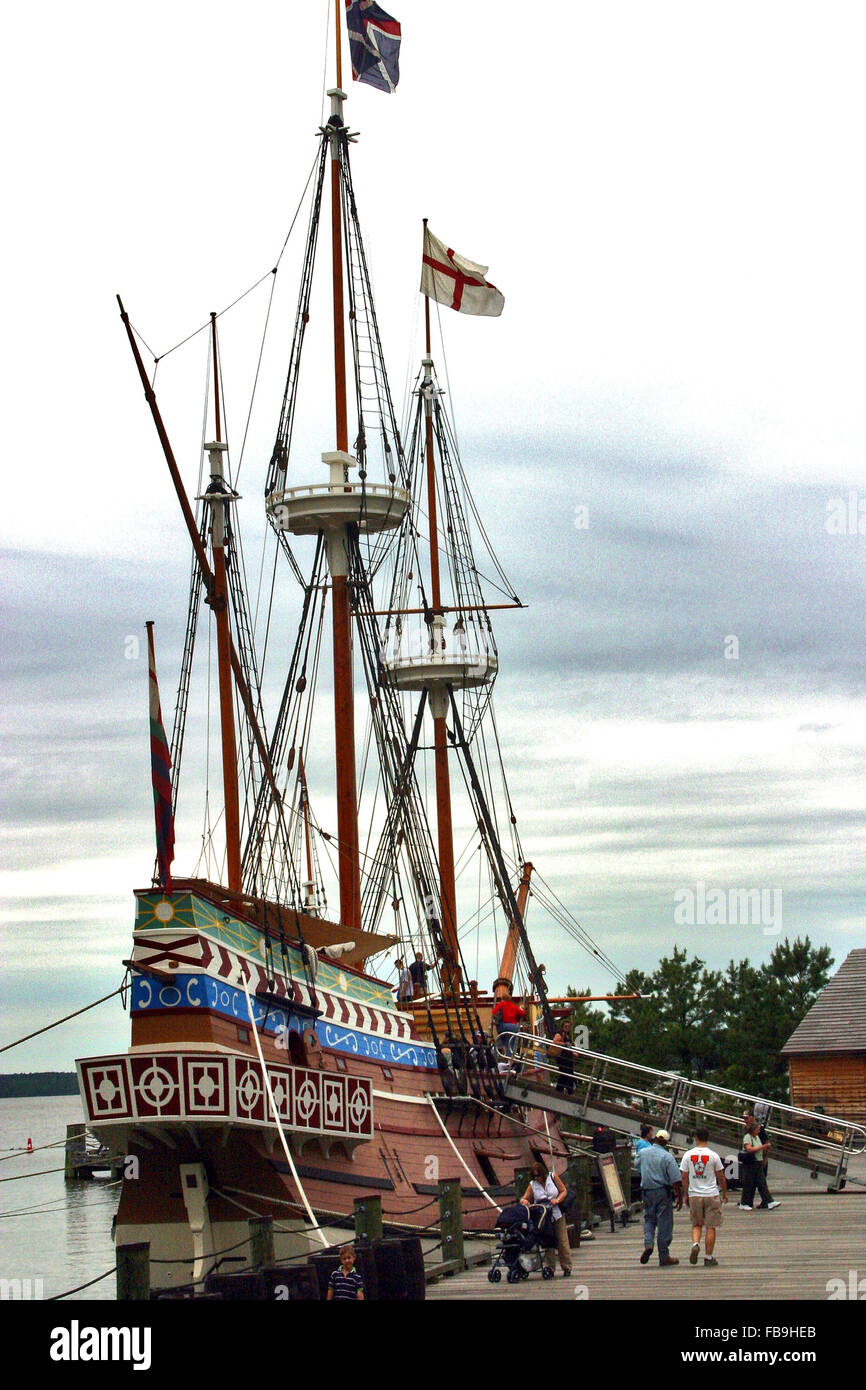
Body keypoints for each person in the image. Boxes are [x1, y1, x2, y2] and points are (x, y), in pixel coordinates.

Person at [680, 1126, 728, 1267]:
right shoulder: (713, 1155)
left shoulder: (688, 1155)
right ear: (708, 1138)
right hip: (711, 1194)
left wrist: (686, 1194)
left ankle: (695, 1244)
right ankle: (708, 1257)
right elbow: (721, 1176)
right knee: (711, 1226)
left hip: (695, 1194)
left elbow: (683, 1176)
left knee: (696, 1224)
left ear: (696, 1138)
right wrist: (724, 1193)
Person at [636, 1128, 683, 1266]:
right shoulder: (667, 1156)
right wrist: (679, 1197)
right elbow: (675, 1180)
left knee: (649, 1219)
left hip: (647, 1191)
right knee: (664, 1223)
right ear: (666, 1143)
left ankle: (648, 1244)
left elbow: (636, 1164)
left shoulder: (643, 1153)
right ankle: (664, 1255)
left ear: (655, 1139)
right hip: (662, 1191)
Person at [520, 1160, 572, 1277]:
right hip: (543, 1216)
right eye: (534, 1176)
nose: (537, 1178)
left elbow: (563, 1191)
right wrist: (525, 1201)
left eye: (539, 1175)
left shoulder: (552, 1177)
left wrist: (557, 1200)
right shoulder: (533, 1184)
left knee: (562, 1240)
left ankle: (566, 1266)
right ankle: (550, 1267)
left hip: (556, 1213)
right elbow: (525, 1197)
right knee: (548, 1241)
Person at [739, 1117, 780, 1211]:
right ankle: (744, 1202)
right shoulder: (748, 1137)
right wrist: (763, 1146)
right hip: (750, 1163)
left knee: (762, 1183)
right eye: (757, 1129)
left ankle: (769, 1201)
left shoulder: (756, 1137)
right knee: (749, 1183)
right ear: (753, 1130)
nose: (759, 1131)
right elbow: (749, 1149)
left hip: (758, 1162)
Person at [491, 987, 526, 1059]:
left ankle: (499, 1054)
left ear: (502, 998)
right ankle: (510, 1059)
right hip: (514, 1027)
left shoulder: (501, 1004)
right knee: (510, 1043)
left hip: (503, 1026)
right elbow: (522, 1013)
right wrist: (521, 1008)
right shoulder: (513, 1006)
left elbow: (494, 1013)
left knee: (502, 1039)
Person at [552, 1022, 576, 1095]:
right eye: (565, 1026)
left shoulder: (568, 1036)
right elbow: (555, 1042)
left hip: (568, 1059)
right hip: (562, 1058)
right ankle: (569, 1091)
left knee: (565, 1075)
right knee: (568, 1074)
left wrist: (574, 1053)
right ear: (562, 1026)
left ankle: (559, 1090)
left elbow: (569, 1047)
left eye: (568, 1026)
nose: (567, 1028)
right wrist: (564, 1044)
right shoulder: (560, 1034)